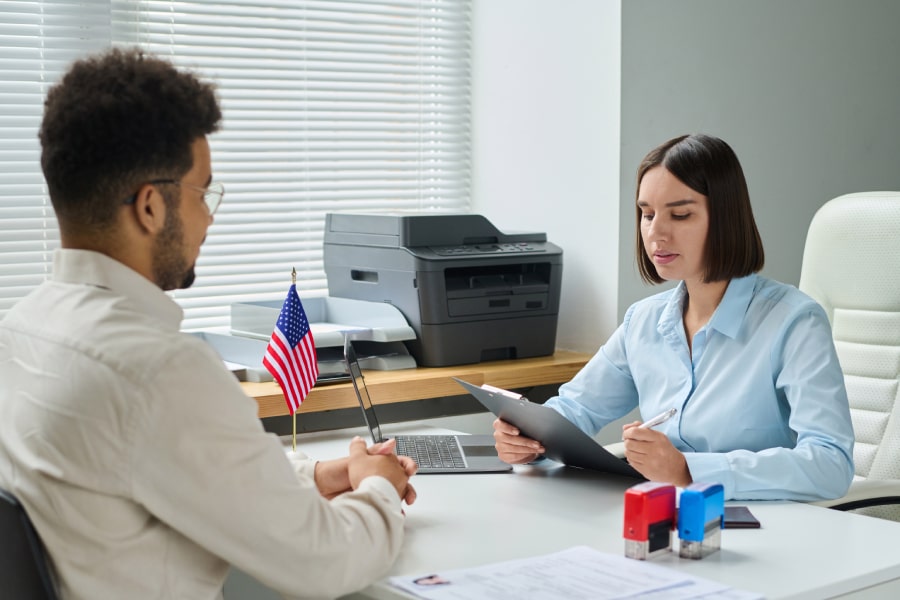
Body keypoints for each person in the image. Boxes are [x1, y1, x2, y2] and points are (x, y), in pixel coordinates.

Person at [0, 47, 417, 599]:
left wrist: (319, 477)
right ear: (149, 207)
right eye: (203, 192)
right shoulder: (157, 370)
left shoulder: (22, 331)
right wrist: (379, 490)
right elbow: (326, 563)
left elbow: (148, 472)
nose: (209, 216)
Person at [493, 133, 854, 502]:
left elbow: (830, 463)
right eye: (647, 214)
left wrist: (688, 469)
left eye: (680, 214)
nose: (655, 232)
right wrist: (528, 438)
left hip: (762, 525)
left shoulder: (794, 322)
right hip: (665, 518)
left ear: (726, 218)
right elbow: (577, 408)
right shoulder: (644, 321)